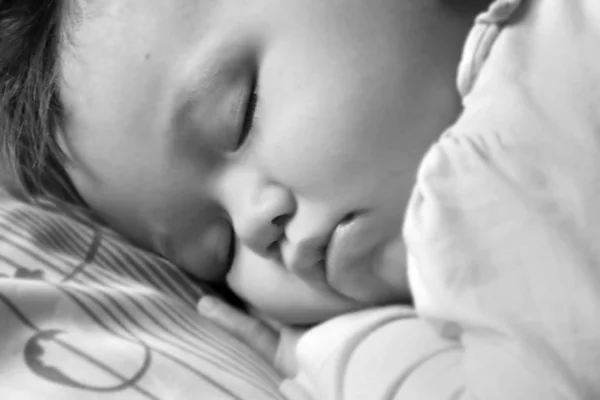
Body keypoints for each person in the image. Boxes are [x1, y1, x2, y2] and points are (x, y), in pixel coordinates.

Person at [2, 0, 600, 398]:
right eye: (217, 251)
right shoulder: (440, 320)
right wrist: (339, 353)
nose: (256, 223)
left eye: (240, 116)